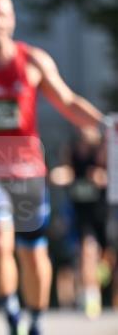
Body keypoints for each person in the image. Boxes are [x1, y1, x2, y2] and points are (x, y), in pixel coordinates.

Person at [0, 0, 104, 335]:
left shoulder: (33, 61)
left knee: (33, 257)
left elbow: (67, 101)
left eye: (4, 14)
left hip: (27, 175)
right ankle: (11, 320)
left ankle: (36, 332)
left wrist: (104, 126)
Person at [50, 127, 109, 318]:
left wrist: (101, 177)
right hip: (81, 213)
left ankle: (99, 281)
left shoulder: (101, 154)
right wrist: (57, 176)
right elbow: (65, 172)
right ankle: (91, 296)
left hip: (101, 212)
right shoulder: (72, 153)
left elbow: (107, 177)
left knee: (104, 259)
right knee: (86, 252)